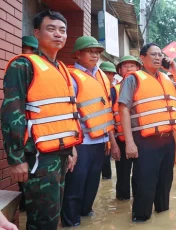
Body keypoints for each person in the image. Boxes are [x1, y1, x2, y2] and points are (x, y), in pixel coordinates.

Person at [1, 10, 83, 230]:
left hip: (61, 154)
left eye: (62, 30)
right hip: (38, 158)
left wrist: (71, 148)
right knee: (42, 220)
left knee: (52, 215)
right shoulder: (23, 65)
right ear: (36, 33)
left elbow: (65, 113)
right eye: (51, 29)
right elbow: (12, 113)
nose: (58, 34)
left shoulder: (62, 69)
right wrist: (16, 158)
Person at [118, 43, 176, 222]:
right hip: (144, 140)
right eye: (153, 54)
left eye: (160, 55)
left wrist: (174, 70)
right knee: (144, 183)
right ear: (142, 58)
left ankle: (162, 218)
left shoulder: (167, 78)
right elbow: (123, 109)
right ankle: (141, 220)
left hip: (167, 140)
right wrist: (129, 143)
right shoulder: (133, 79)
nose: (157, 58)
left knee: (165, 183)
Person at [61, 36, 120, 227]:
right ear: (78, 54)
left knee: (92, 185)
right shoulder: (70, 77)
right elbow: (65, 112)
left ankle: (86, 218)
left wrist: (111, 141)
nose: (95, 55)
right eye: (90, 51)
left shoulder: (102, 75)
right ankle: (71, 222)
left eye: (97, 52)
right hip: (81, 143)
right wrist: (71, 146)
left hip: (100, 141)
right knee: (75, 186)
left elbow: (107, 111)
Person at [111, 55, 141, 200]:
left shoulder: (144, 87)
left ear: (138, 68)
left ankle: (139, 201)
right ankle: (122, 206)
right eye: (125, 66)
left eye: (132, 65)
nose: (129, 68)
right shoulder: (113, 90)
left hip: (141, 139)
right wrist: (113, 144)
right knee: (123, 176)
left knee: (141, 174)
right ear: (119, 71)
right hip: (121, 139)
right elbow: (108, 118)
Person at [18, 36, 39, 212]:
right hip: (24, 143)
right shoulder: (19, 68)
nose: (28, 53)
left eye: (32, 50)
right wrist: (16, 158)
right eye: (25, 48)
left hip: (39, 143)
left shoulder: (37, 72)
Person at [99, 61, 118, 180]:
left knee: (106, 167)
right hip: (99, 134)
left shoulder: (114, 90)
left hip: (112, 133)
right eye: (105, 73)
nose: (108, 76)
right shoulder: (96, 90)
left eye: (110, 73)